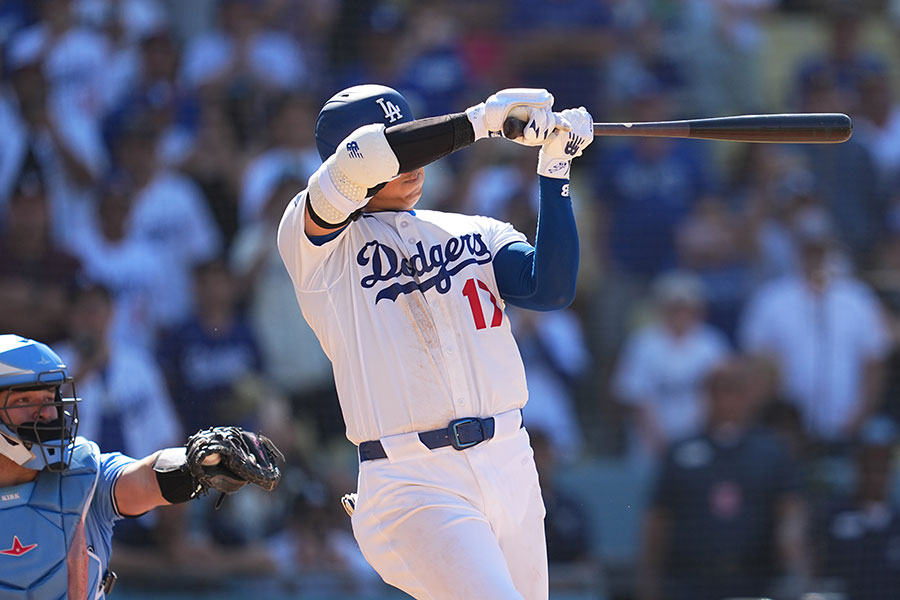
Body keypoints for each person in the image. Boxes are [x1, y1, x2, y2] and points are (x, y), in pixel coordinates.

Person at [277, 84, 594, 599]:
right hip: (412, 481)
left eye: (410, 132)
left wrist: (555, 171)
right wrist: (479, 123)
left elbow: (549, 287)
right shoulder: (314, 242)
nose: (412, 161)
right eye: (399, 143)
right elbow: (370, 158)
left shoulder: (473, 229)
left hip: (509, 459)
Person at [0, 334, 282, 598]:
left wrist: (199, 462)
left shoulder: (83, 471)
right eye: (24, 400)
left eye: (50, 399)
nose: (47, 414)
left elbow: (147, 479)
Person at [637, 358, 809, 600]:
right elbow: (658, 520)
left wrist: (791, 541)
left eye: (734, 390)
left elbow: (790, 508)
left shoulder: (771, 451)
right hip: (689, 584)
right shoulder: (680, 451)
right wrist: (649, 583)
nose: (726, 399)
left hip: (755, 583)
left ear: (749, 396)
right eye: (718, 389)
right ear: (705, 395)